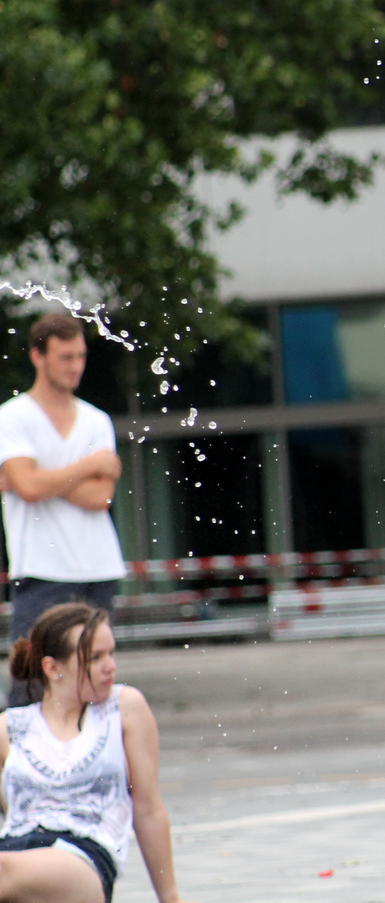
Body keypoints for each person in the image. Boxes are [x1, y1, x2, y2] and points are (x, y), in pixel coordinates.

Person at [0, 602, 190, 903]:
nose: (110, 666)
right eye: (95, 658)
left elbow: (148, 808)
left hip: (82, 854)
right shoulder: (9, 726)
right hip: (16, 849)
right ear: (52, 668)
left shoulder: (124, 708)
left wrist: (171, 897)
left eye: (111, 653)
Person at [0, 315, 126, 708]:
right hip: (40, 571)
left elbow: (99, 497)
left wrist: (38, 477)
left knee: (93, 682)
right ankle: (18, 768)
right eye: (65, 356)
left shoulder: (95, 420)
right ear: (38, 356)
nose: (75, 366)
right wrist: (86, 467)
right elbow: (29, 487)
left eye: (81, 356)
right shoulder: (13, 416)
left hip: (97, 569)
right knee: (31, 682)